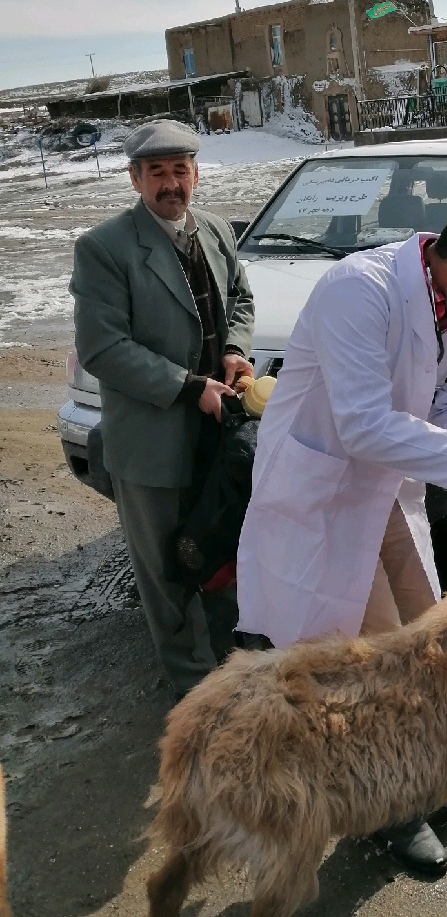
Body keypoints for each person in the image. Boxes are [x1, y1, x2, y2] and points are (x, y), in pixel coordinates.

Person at [235, 197, 447, 876]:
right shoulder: (360, 291)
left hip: (385, 490)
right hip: (323, 499)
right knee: (375, 671)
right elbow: (360, 424)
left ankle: (435, 785)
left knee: (431, 634)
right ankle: (386, 815)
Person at [70, 120, 255, 700]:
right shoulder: (105, 248)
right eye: (157, 173)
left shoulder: (218, 231)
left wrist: (234, 351)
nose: (171, 184)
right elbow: (103, 347)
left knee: (222, 550)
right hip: (153, 442)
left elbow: (242, 300)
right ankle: (194, 691)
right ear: (135, 179)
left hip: (216, 437)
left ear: (196, 174)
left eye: (181, 170)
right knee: (165, 573)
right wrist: (187, 386)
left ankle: (234, 669)